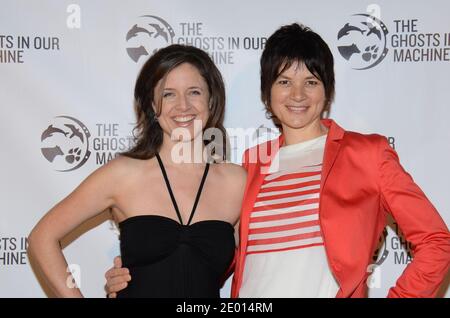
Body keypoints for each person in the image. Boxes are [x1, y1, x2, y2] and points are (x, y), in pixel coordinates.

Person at [105, 24, 450, 298]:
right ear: (267, 93)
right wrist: (142, 275)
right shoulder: (251, 164)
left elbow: (437, 241)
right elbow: (213, 252)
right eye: (284, 81)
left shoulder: (367, 154)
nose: (297, 95)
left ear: (327, 91)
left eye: (310, 82)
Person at [27, 44, 246, 298]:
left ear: (211, 99)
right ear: (153, 105)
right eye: (168, 95)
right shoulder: (123, 174)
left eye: (194, 92)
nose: (183, 106)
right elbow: (42, 237)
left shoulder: (236, 182)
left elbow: (260, 265)